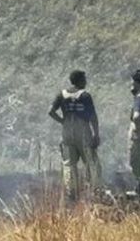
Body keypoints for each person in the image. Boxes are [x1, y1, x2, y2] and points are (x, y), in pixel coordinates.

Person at [48, 69, 102, 201]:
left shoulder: (62, 95)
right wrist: (96, 134)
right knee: (91, 162)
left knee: (69, 164)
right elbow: (93, 117)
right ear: (80, 81)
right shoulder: (85, 96)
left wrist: (62, 121)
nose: (86, 81)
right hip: (82, 131)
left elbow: (50, 111)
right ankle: (94, 190)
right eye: (84, 79)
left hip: (67, 132)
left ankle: (70, 193)